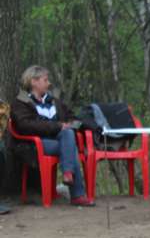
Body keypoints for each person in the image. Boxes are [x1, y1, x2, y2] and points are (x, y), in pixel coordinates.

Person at [10, 65, 94, 206]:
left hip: (60, 140)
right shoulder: (21, 102)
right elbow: (25, 125)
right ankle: (77, 194)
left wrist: (71, 124)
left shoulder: (55, 99)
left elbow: (71, 116)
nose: (49, 83)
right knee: (70, 146)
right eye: (45, 80)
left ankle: (68, 174)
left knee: (68, 134)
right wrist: (58, 126)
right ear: (34, 82)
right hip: (35, 143)